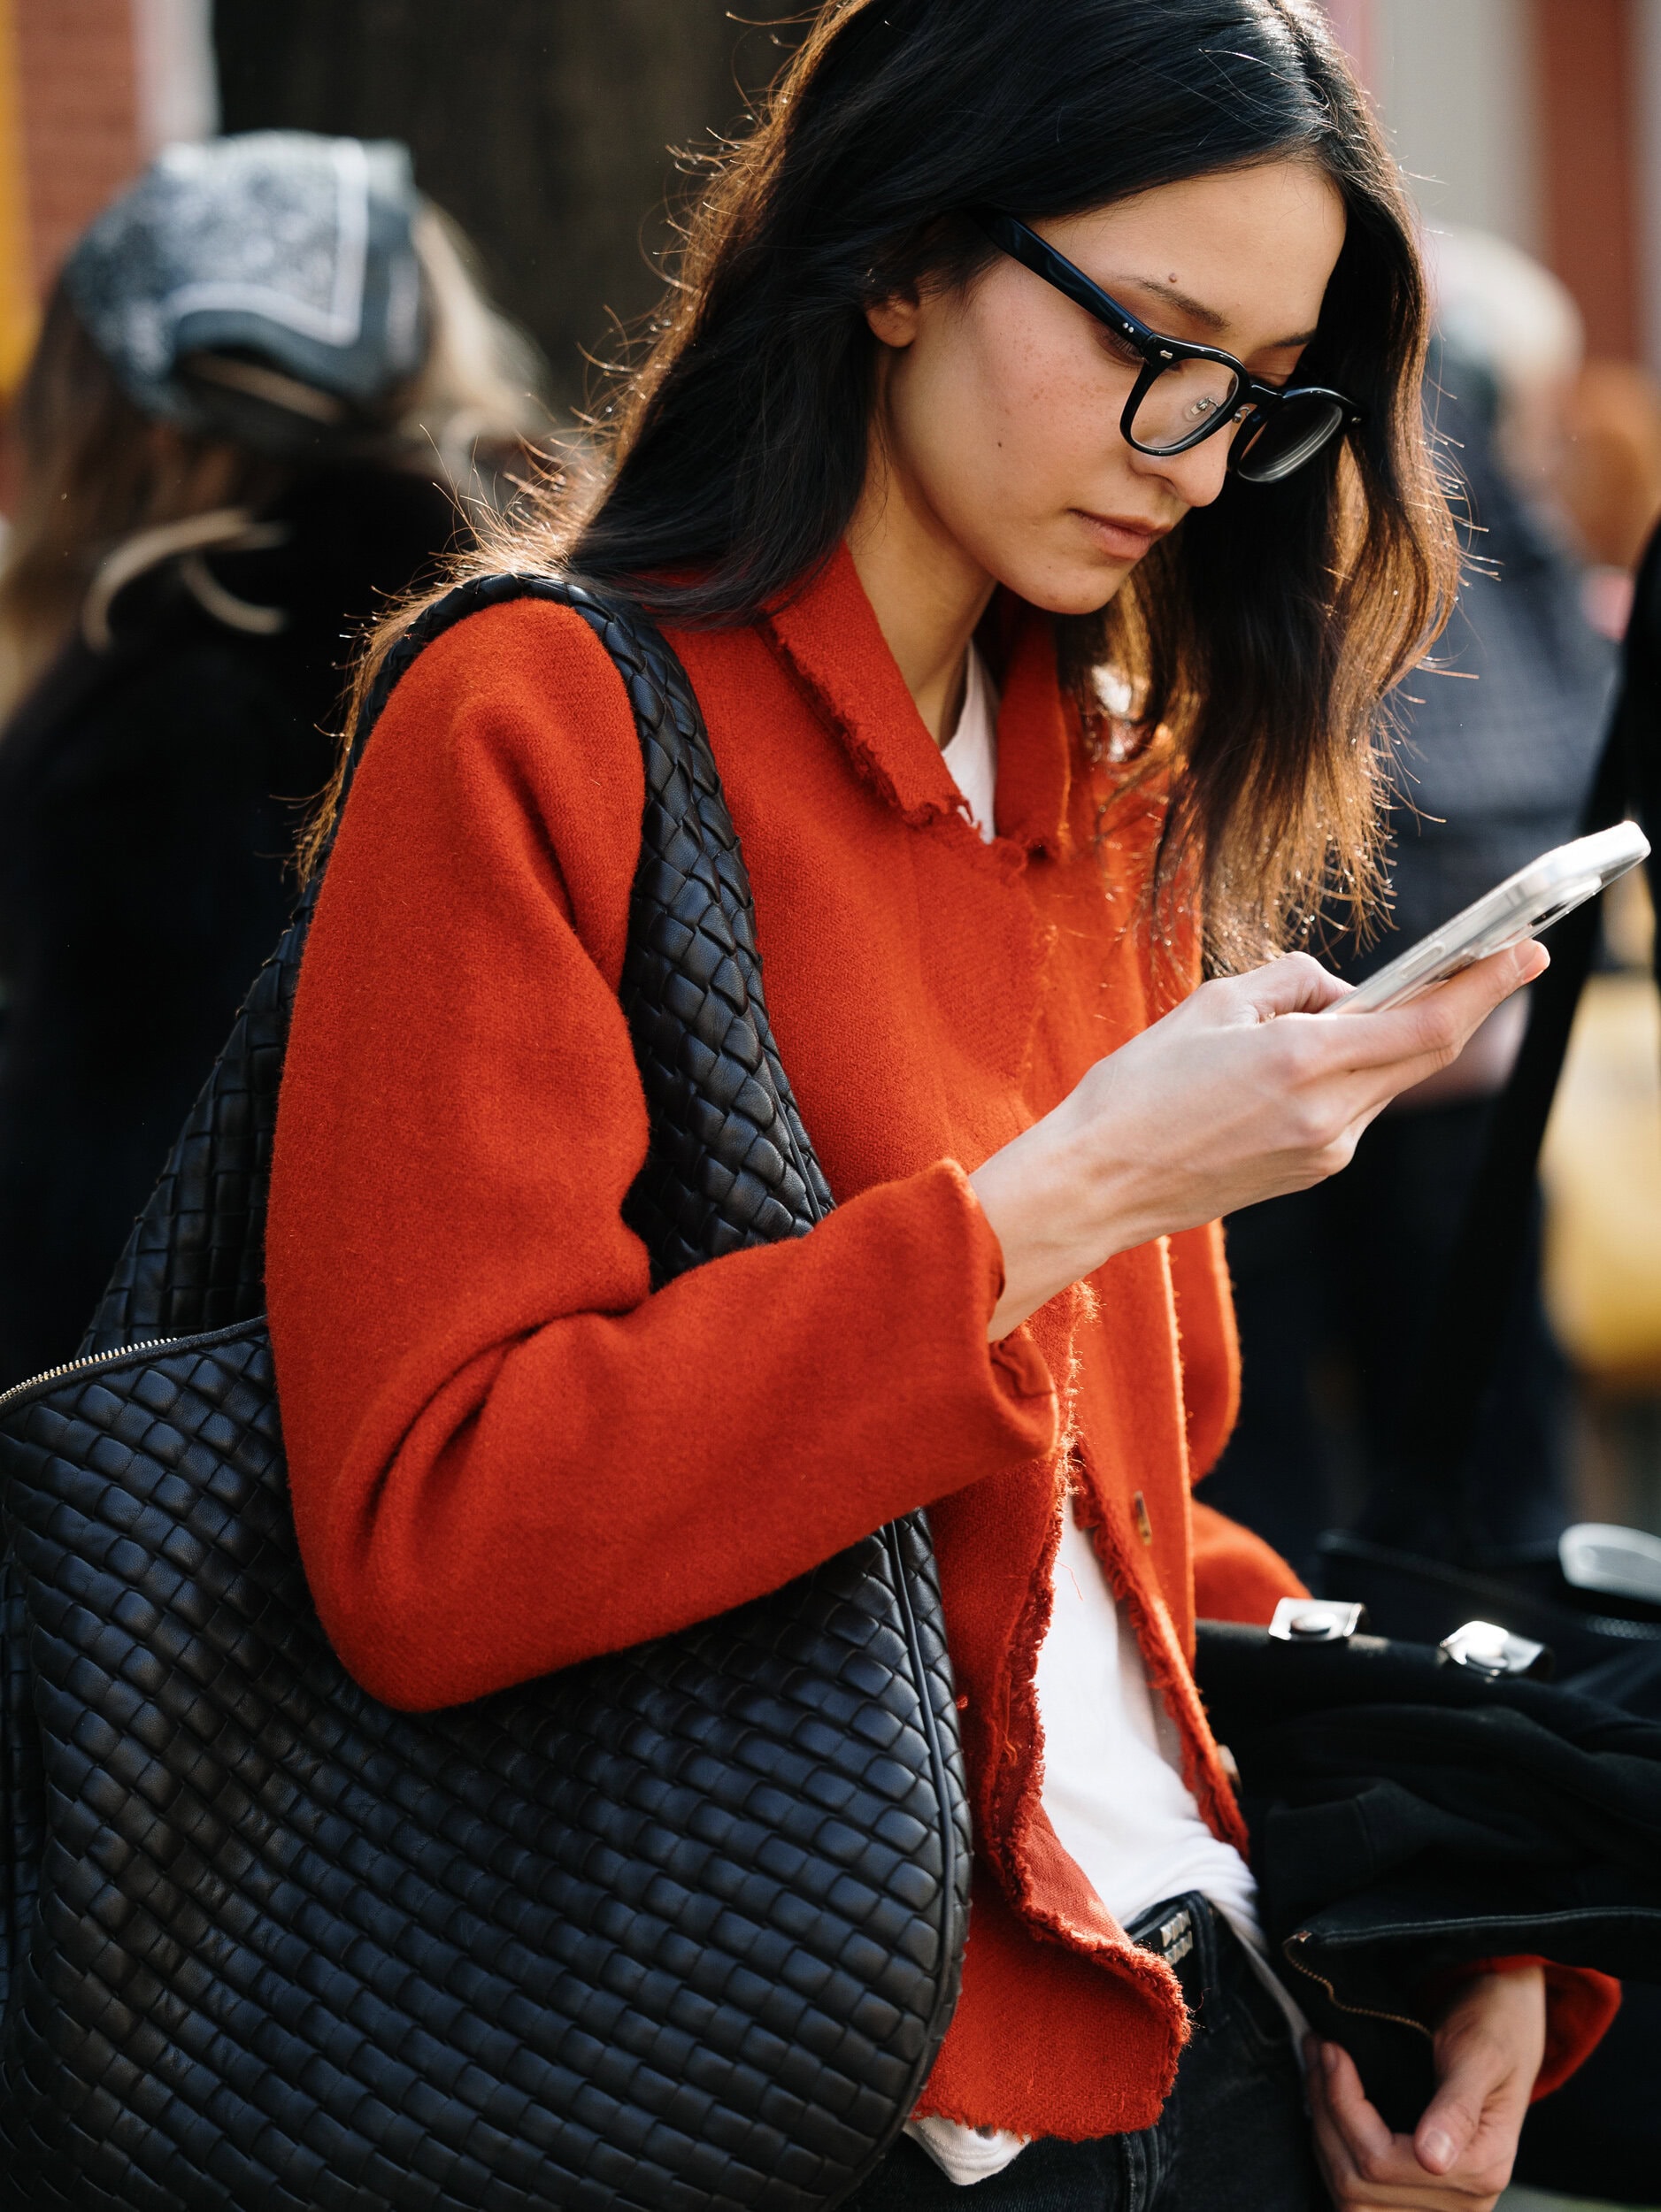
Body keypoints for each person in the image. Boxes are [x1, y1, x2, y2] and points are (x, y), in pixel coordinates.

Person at [265, 7, 1615, 2208]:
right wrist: (1061, 1200)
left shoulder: (1098, 766)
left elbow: (1118, 1540)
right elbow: (433, 1532)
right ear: (897, 253)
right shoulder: (538, 714)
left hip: (1214, 2025)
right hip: (817, 2067)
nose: (1194, 451)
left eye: (1265, 388)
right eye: (1150, 337)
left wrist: (1468, 1917)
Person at [0, 131, 544, 1391]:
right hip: (538, 1426)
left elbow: (118, 1227)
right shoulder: (568, 627)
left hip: (223, 1498)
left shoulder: (166, 717)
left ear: (103, 409)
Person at [1206, 236, 1617, 1576]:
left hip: (1284, 970)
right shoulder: (1430, 357)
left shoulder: (1273, 371)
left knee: (1270, 1423)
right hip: (1430, 969)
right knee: (1463, 1437)